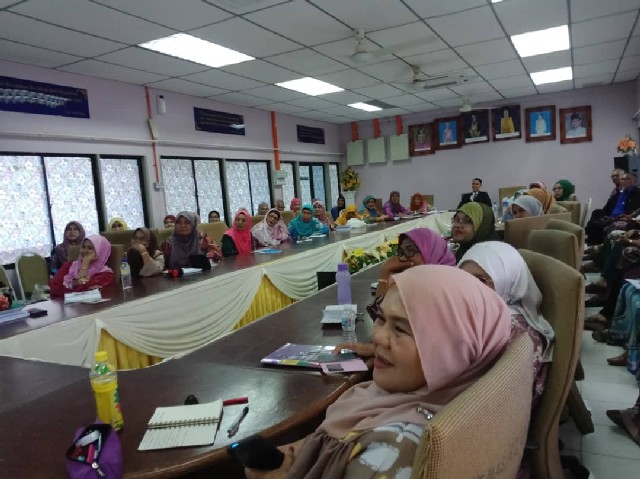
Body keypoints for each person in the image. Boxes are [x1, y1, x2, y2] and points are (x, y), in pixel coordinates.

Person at [246, 266, 511, 479]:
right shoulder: (405, 396)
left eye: (401, 329)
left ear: (455, 349)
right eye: (381, 319)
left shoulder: (391, 451)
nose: (378, 338)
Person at [458, 241, 554, 405]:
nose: (469, 288)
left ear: (509, 281)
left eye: (481, 280)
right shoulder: (481, 313)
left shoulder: (518, 336)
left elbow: (502, 402)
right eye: (462, 278)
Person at [376, 228, 456, 296]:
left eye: (410, 250)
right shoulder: (410, 280)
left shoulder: (440, 286)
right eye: (401, 252)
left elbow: (380, 309)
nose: (403, 258)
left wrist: (384, 273)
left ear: (433, 252)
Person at [49, 235, 114, 297]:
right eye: (83, 247)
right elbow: (53, 288)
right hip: (63, 304)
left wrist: (85, 262)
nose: (85, 251)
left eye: (90, 248)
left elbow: (82, 292)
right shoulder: (69, 266)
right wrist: (74, 285)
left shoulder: (106, 275)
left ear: (100, 252)